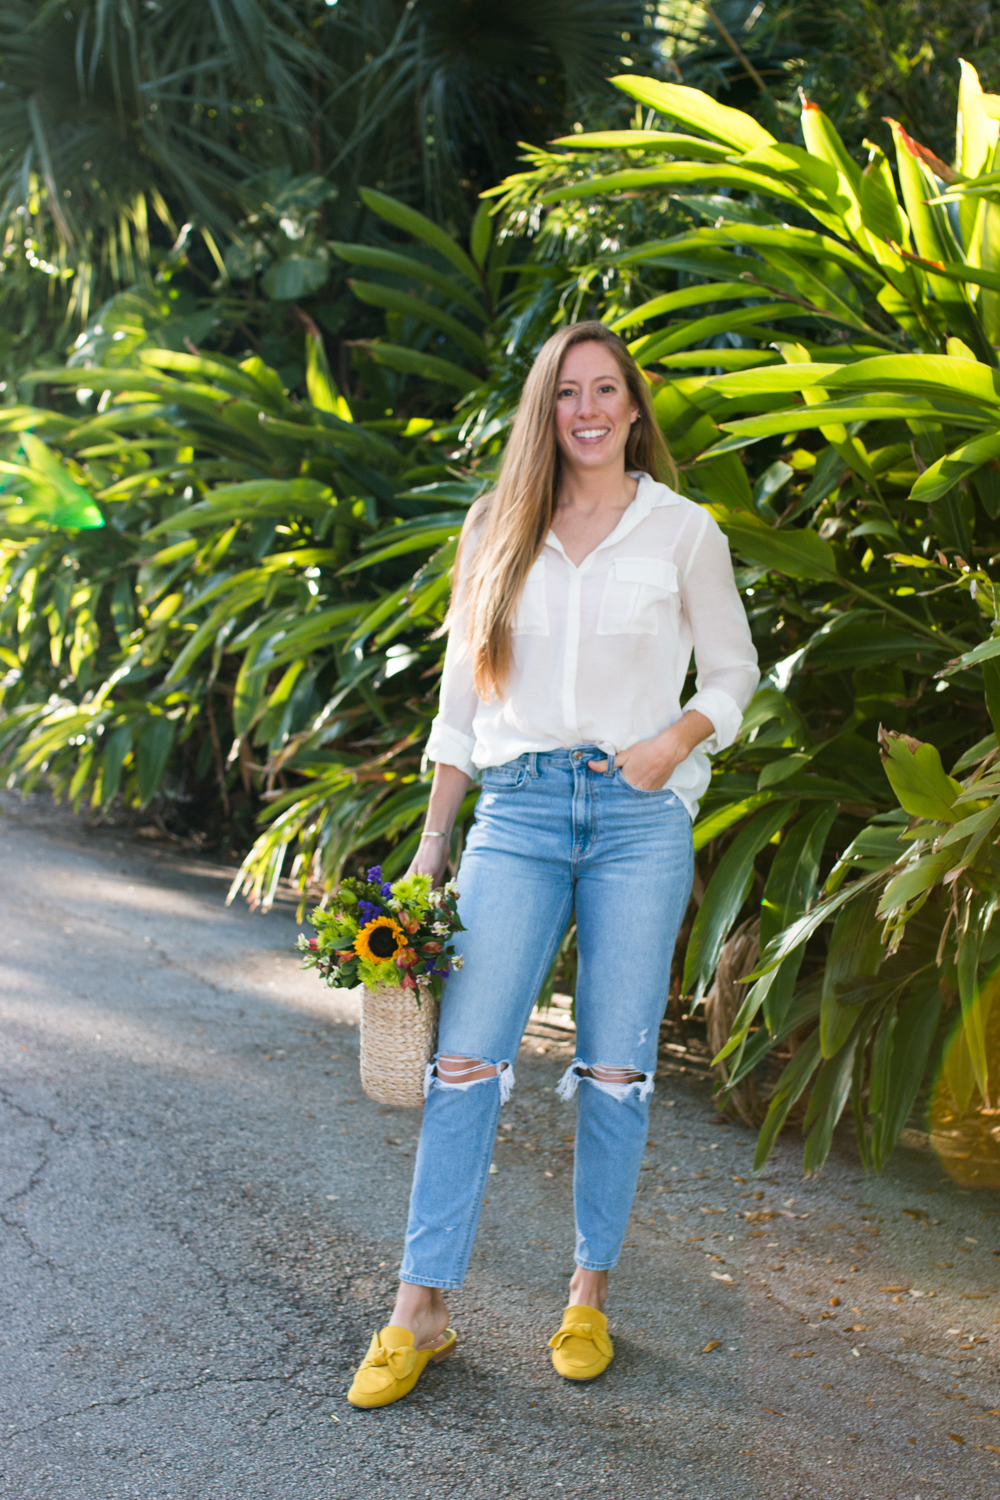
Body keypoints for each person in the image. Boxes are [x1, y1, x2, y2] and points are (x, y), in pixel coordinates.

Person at [347, 320, 759, 1408]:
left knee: (617, 1070)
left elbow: (732, 671)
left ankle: (585, 1298)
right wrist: (434, 843)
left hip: (636, 818)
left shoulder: (682, 532)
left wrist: (673, 742)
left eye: (605, 390)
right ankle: (417, 1307)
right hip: (518, 813)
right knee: (464, 1062)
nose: (585, 409)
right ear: (546, 409)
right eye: (566, 392)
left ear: (633, 406)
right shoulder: (497, 526)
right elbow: (456, 706)